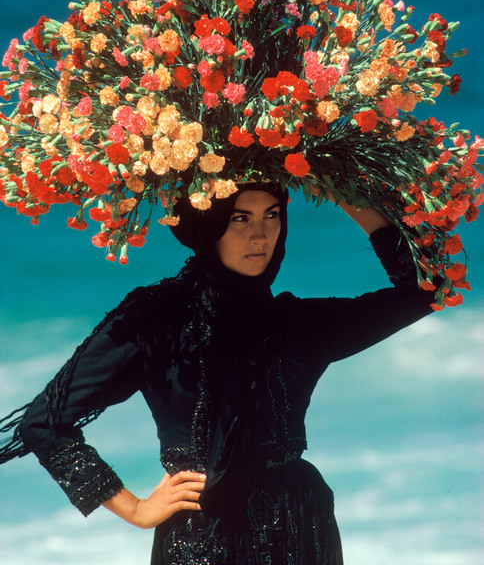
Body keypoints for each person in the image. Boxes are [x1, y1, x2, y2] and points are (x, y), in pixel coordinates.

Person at [0, 183, 437, 564]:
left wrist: (346, 196)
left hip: (300, 528)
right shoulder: (156, 317)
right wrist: (134, 509)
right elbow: (43, 422)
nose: (260, 234)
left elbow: (428, 289)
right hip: (199, 540)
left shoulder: (299, 325)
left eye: (272, 215)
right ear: (208, 226)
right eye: (239, 218)